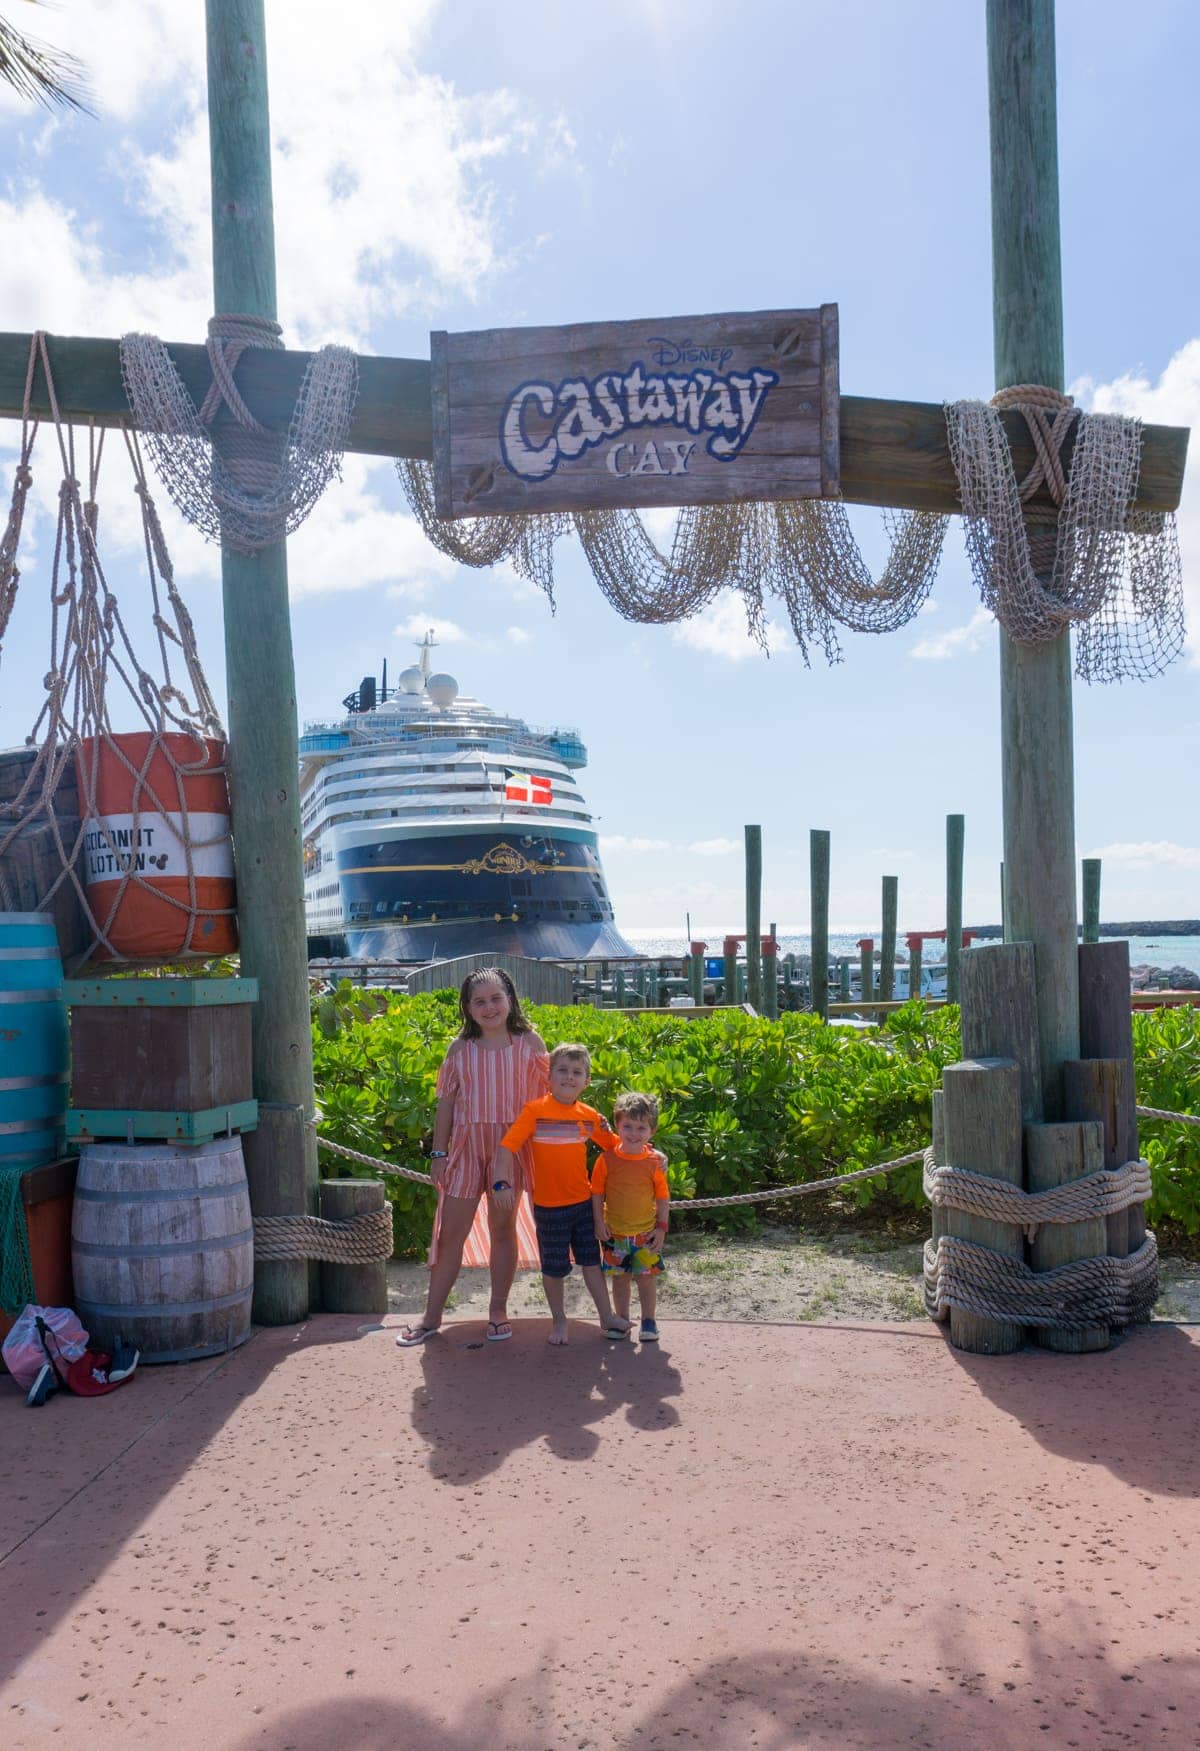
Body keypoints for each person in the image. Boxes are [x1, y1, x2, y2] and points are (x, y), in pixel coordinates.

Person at [397, 968, 547, 1347]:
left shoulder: (530, 1043)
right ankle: (431, 1317)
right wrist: (438, 1153)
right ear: (467, 1007)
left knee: (502, 1229)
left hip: (509, 1152)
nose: (489, 1007)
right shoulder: (459, 1049)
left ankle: (498, 1310)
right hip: (465, 1150)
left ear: (510, 999)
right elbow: (445, 1106)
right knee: (450, 1237)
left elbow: (547, 1102)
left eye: (495, 998)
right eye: (479, 1001)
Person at [491, 1043, 631, 1346]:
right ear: (549, 1077)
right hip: (549, 1208)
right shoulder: (535, 1111)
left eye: (577, 1072)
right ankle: (559, 1320)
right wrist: (501, 1182)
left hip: (582, 1205)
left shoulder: (590, 1115)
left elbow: (617, 1147)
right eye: (563, 1070)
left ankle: (606, 1317)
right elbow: (507, 1146)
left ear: (586, 1081)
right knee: (554, 1270)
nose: (569, 1077)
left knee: (591, 1263)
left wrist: (650, 1155)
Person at [591, 1091, 670, 1343]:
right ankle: (621, 1320)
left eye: (641, 1128)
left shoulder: (655, 1162)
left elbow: (662, 1198)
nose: (634, 1133)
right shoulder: (606, 1159)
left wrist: (661, 1228)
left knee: (646, 1280)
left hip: (646, 1235)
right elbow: (597, 1194)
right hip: (615, 1234)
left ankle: (649, 1321)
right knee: (620, 1280)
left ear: (652, 1131)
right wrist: (599, 1222)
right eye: (628, 1126)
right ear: (617, 1125)